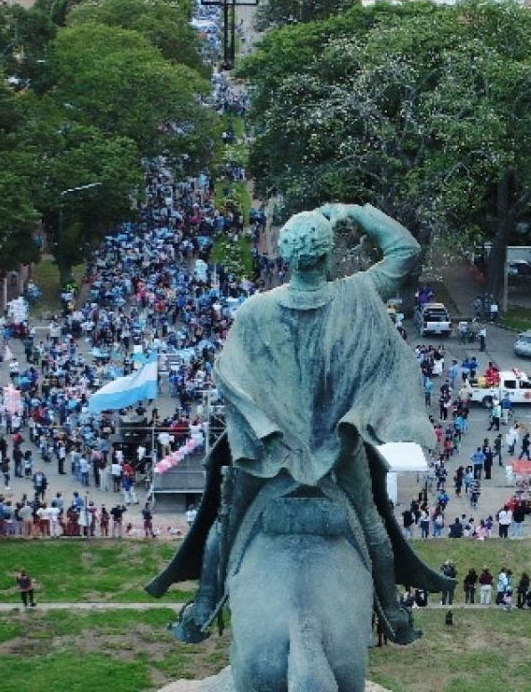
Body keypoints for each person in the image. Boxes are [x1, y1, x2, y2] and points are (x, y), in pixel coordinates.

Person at [148, 203, 455, 646]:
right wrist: (354, 212)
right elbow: (405, 250)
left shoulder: (255, 311)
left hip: (271, 455)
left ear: (285, 257)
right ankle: (393, 612)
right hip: (337, 454)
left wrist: (263, 427)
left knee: (225, 521)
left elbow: (228, 376)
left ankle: (204, 605)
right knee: (370, 520)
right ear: (328, 256)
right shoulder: (358, 294)